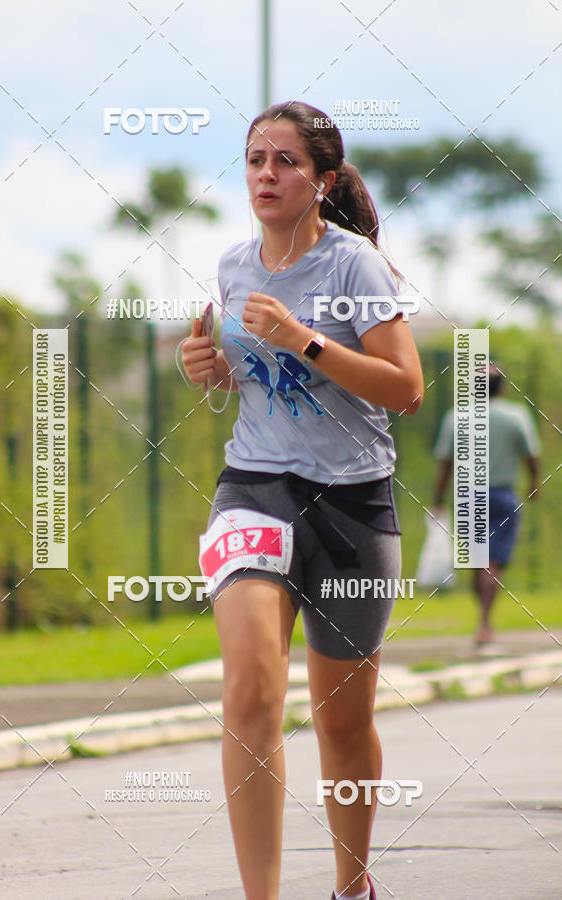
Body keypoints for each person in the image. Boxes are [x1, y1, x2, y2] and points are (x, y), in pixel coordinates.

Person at [182, 100, 424, 900]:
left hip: (353, 506)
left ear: (320, 182)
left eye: (285, 161)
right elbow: (257, 382)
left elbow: (406, 390)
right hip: (254, 488)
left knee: (342, 726)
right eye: (255, 159)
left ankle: (352, 887)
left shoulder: (355, 266)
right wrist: (213, 371)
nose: (266, 175)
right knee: (250, 689)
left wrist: (304, 339)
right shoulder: (233, 264)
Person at [433, 363, 541, 647]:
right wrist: (534, 484)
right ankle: (485, 622)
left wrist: (438, 499)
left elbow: (445, 463)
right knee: (493, 563)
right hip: (504, 496)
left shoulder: (456, 417)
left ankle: (482, 621)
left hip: (468, 496)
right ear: (502, 387)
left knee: (478, 562)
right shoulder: (516, 416)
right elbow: (532, 455)